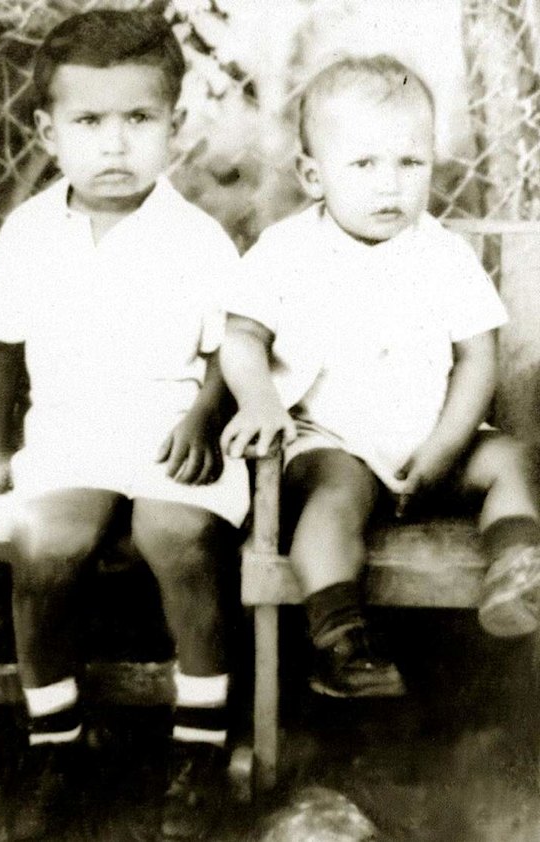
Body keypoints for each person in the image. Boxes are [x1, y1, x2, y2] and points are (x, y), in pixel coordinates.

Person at [0, 9, 249, 840]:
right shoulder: (28, 235)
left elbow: (234, 347)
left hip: (172, 431)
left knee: (176, 537)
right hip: (73, 435)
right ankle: (58, 745)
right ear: (48, 132)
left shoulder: (197, 239)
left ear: (174, 127)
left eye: (139, 119)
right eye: (89, 122)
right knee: (47, 545)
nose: (115, 145)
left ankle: (198, 749)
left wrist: (204, 416)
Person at [220, 54, 540, 700]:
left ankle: (517, 566)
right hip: (334, 442)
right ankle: (341, 636)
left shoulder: (443, 255)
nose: (389, 186)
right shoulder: (286, 251)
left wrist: (445, 447)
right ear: (313, 174)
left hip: (435, 439)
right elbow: (242, 336)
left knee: (512, 458)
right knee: (334, 497)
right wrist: (258, 401)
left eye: (409, 163)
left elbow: (476, 357)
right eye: (364, 165)